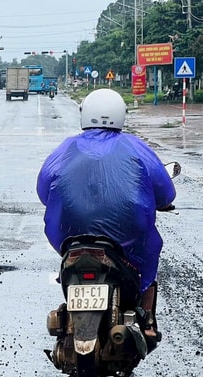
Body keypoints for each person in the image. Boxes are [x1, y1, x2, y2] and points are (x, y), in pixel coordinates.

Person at [36, 88, 176, 340]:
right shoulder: (134, 146)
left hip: (72, 234)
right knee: (152, 245)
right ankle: (146, 317)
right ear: (121, 115)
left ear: (85, 114)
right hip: (126, 233)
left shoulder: (67, 147)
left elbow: (44, 188)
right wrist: (162, 203)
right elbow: (165, 190)